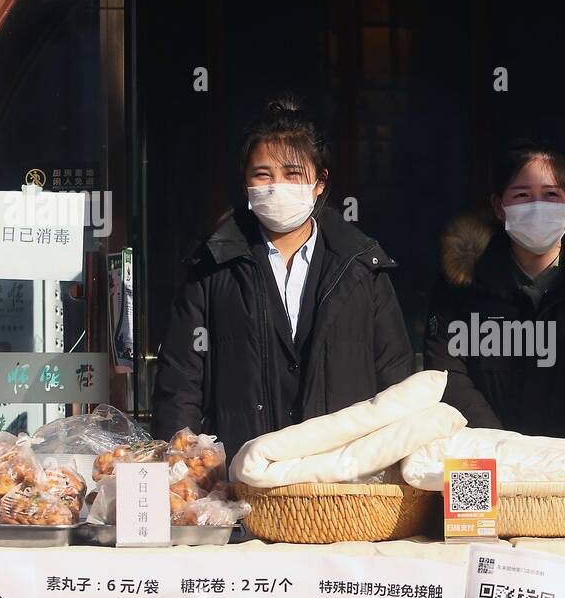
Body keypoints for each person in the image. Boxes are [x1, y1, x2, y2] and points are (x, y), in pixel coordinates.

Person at [152, 96, 413, 461]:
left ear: (320, 182)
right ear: (246, 184)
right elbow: (180, 382)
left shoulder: (362, 268)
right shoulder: (213, 266)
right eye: (263, 175)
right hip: (240, 482)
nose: (277, 186)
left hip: (342, 483)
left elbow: (396, 379)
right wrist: (182, 474)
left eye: (293, 174)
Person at [423, 140, 565, 442]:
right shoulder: (461, 283)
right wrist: (504, 447)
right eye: (521, 195)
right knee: (467, 491)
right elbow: (446, 375)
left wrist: (555, 452)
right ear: (499, 206)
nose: (536, 207)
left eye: (550, 195)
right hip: (480, 457)